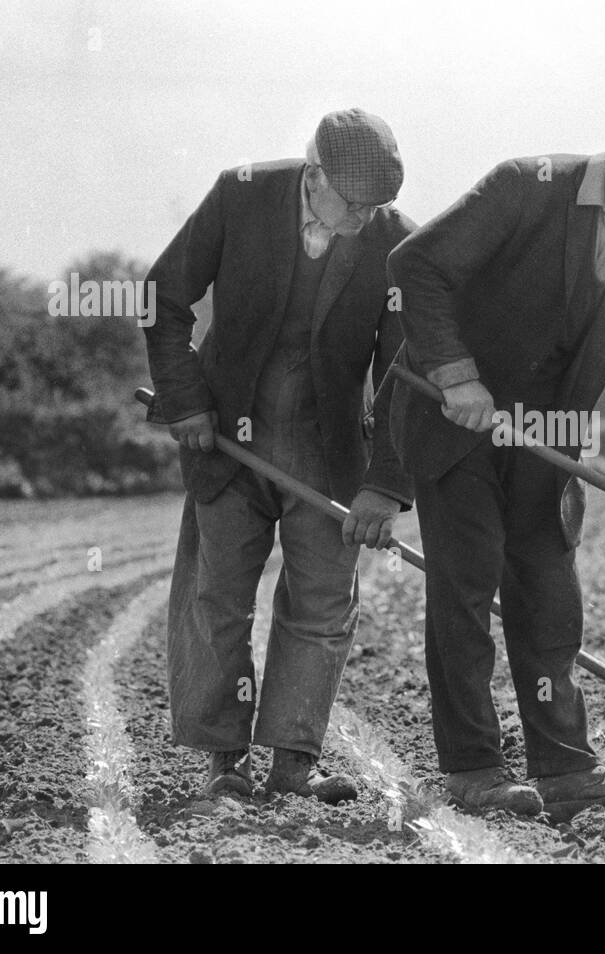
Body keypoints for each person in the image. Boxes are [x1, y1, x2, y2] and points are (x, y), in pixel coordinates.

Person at [386, 101, 605, 818]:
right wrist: (456, 374)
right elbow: (417, 266)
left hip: (550, 447)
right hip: (458, 428)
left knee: (549, 599)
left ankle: (566, 773)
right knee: (468, 587)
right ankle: (474, 770)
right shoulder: (524, 187)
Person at [142, 108, 414, 801]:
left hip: (327, 454)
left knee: (322, 606)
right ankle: (224, 762)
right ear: (312, 173)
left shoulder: (397, 245)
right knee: (219, 599)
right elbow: (163, 294)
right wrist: (186, 402)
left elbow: (400, 379)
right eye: (351, 204)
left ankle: (293, 764)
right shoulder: (241, 195)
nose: (362, 218)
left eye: (375, 206)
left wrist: (385, 487)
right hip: (229, 442)